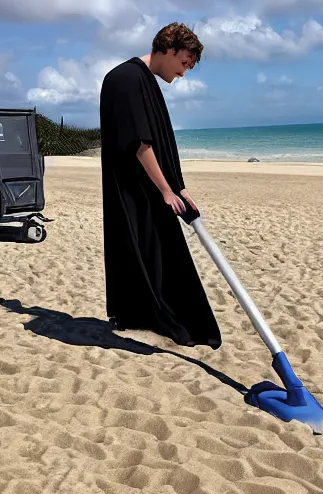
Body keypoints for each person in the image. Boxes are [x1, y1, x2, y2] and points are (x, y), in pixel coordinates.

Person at [99, 22, 222, 349]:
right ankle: (147, 316)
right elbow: (141, 144)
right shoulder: (126, 79)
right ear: (167, 50)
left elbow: (159, 140)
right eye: (183, 63)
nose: (184, 73)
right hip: (133, 188)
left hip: (147, 185)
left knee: (157, 248)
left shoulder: (144, 81)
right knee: (148, 247)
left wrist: (178, 187)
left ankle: (141, 315)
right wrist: (166, 191)